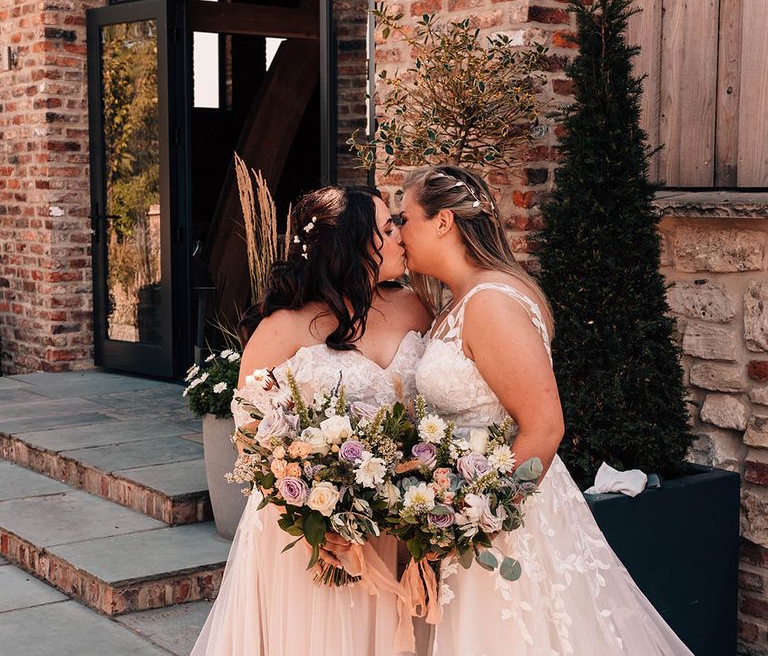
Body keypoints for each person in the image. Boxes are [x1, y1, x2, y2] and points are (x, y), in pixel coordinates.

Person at [398, 165, 694, 656]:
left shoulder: (491, 302)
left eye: (404, 218)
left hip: (500, 518)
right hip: (463, 505)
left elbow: (544, 427)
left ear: (443, 222)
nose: (398, 232)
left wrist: (479, 520)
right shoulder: (459, 301)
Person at [191, 185, 431, 656]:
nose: (399, 235)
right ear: (353, 247)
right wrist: (310, 517)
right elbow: (251, 436)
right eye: (386, 228)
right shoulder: (282, 328)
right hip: (311, 534)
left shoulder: (414, 307)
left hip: (391, 526)